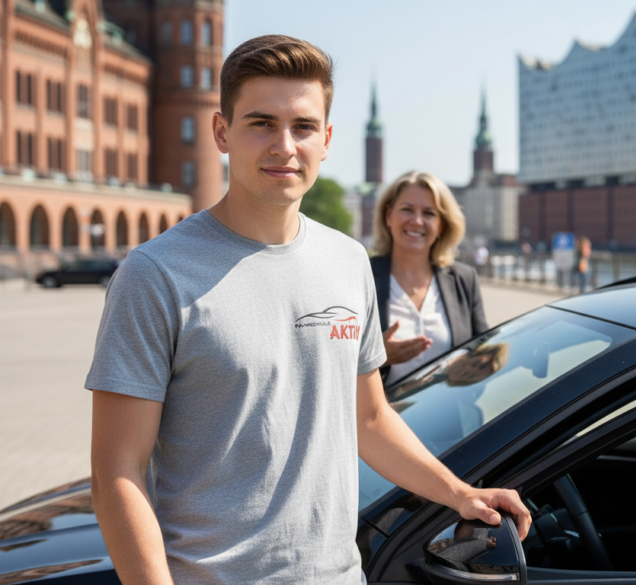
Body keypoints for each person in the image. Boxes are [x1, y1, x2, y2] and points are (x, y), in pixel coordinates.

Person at [87, 35, 529, 585]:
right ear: (222, 132)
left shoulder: (347, 261)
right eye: (261, 124)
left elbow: (369, 418)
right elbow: (116, 474)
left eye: (301, 127)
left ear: (326, 138)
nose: (284, 146)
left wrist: (460, 493)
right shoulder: (154, 274)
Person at [369, 171, 488, 386]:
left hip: (452, 414)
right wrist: (376, 356)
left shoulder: (464, 279)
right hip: (382, 415)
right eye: (407, 210)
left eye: (429, 213)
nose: (417, 221)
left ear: (442, 224)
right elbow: (333, 361)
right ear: (388, 216)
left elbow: (484, 353)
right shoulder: (361, 278)